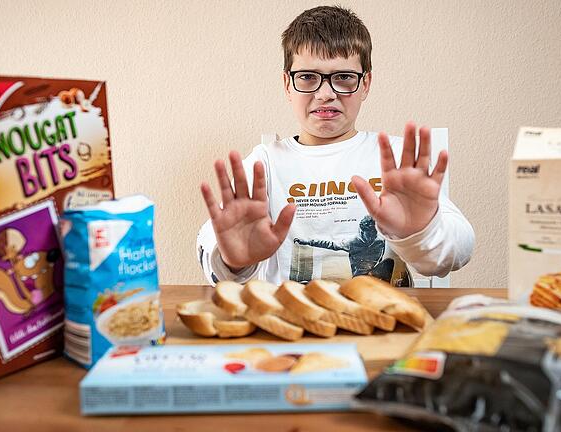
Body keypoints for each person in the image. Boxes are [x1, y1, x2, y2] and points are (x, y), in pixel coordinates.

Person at [196, 5, 474, 287]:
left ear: (365, 84)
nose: (325, 94)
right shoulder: (263, 164)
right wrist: (234, 260)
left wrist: (421, 232)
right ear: (287, 84)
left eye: (343, 77)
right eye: (307, 77)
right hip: (292, 324)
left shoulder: (397, 160)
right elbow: (215, 254)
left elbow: (458, 251)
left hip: (384, 322)